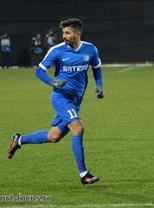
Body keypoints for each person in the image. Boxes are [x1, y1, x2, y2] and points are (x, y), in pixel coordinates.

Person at [7, 18, 104, 185]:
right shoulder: (57, 51)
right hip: (61, 98)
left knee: (54, 136)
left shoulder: (90, 49)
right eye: (63, 33)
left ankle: (19, 140)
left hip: (75, 101)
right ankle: (84, 174)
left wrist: (99, 85)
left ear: (77, 34)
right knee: (78, 128)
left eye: (67, 33)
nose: (64, 36)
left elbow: (96, 67)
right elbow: (39, 72)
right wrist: (52, 82)